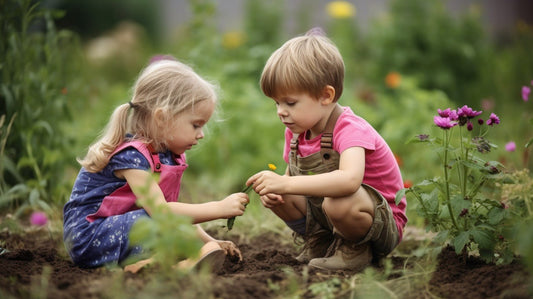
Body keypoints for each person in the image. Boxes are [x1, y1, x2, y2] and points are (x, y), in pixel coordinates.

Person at [63, 57, 249, 270]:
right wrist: (219, 208)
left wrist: (212, 243)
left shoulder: (166, 155)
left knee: (165, 221)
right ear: (162, 118)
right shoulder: (132, 157)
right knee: (158, 219)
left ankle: (151, 264)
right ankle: (163, 264)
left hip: (123, 230)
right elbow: (162, 213)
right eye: (196, 125)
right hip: (89, 239)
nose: (201, 135)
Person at [246, 29, 407, 272]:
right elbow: (292, 181)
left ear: (325, 95)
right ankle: (321, 244)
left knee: (338, 202)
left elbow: (349, 181)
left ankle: (356, 250)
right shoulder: (297, 131)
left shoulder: (350, 129)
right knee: (281, 194)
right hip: (333, 217)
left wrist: (285, 184)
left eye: (290, 102)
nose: (280, 110)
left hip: (381, 225)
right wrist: (279, 190)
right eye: (276, 103)